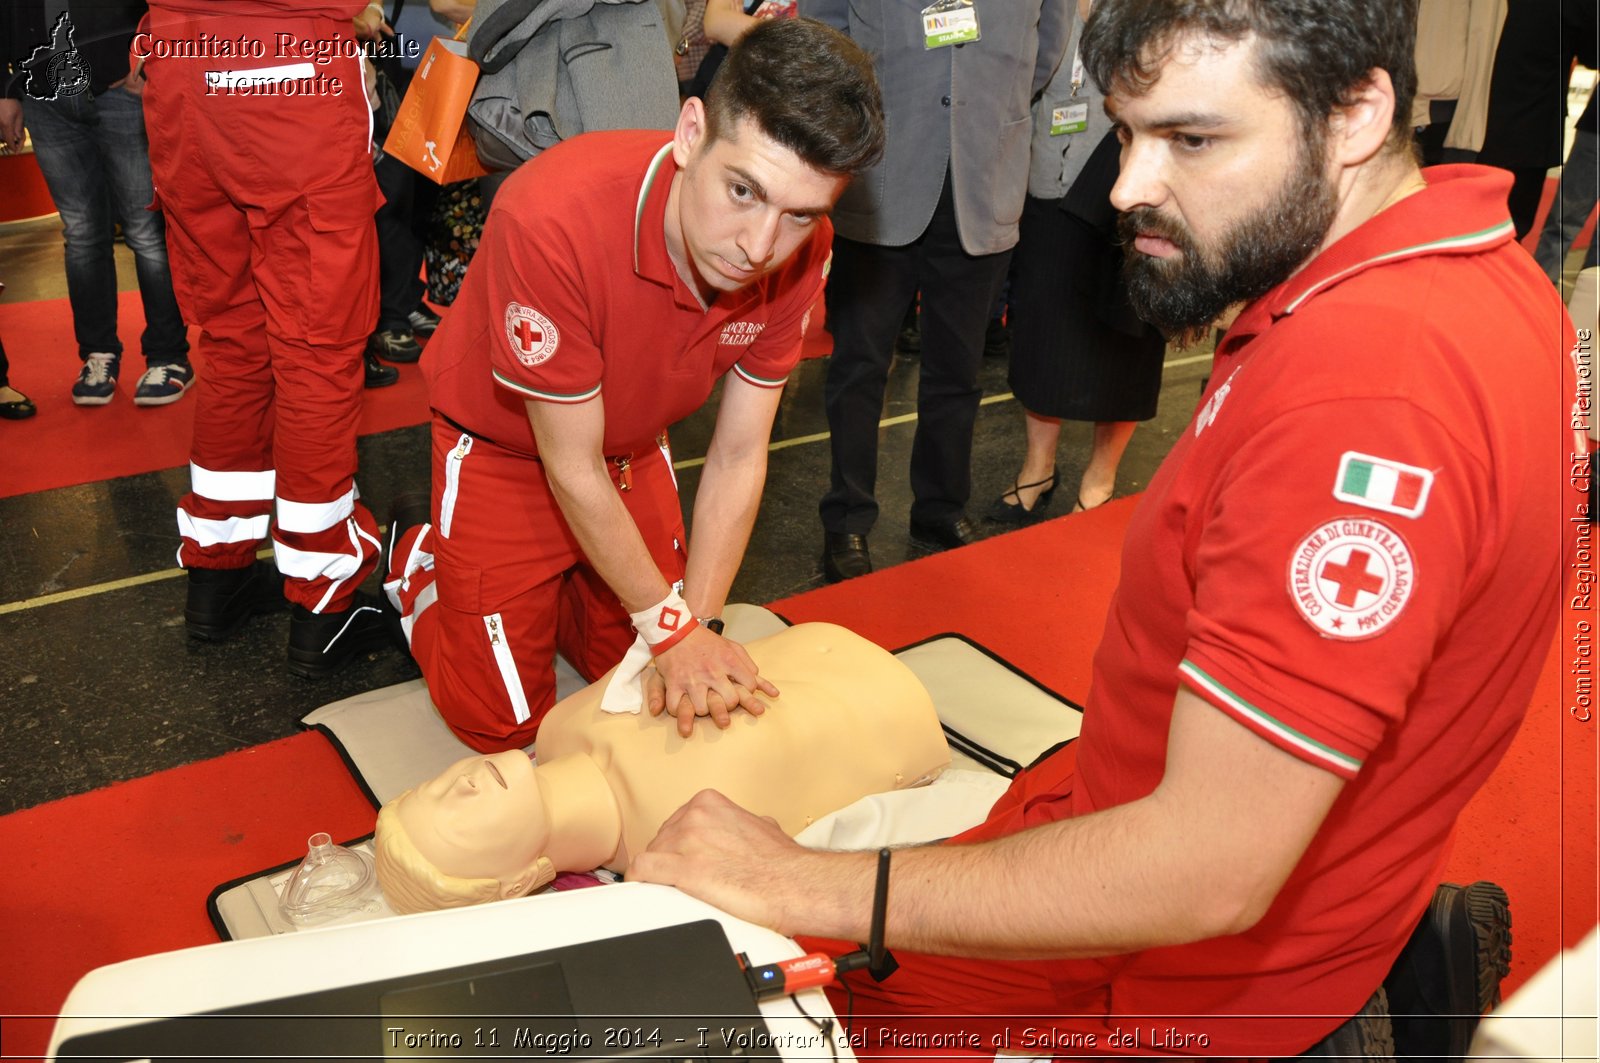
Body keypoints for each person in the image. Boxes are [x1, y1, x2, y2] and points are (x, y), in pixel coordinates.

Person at [628, 1, 1577, 1055]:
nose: (1125, 187)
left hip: (1177, 972)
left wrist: (798, 876)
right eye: (1127, 134)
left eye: (1192, 138)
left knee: (825, 1004)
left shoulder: (1364, 400)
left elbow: (1204, 867)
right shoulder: (1456, 265)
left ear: (1356, 113)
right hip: (1159, 821)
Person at [383, 18, 885, 752]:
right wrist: (668, 623)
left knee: (640, 678)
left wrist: (696, 627)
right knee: (502, 724)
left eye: (800, 215)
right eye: (743, 190)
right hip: (507, 450)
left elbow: (740, 455)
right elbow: (568, 464)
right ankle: (421, 560)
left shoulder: (802, 255)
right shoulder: (552, 215)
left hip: (628, 447)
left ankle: (539, 597)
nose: (759, 246)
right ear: (689, 134)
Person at [140, 1, 399, 676]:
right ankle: (324, 601)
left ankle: (216, 576)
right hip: (287, 66)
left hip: (179, 63)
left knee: (231, 337)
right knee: (317, 347)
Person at [373, 622, 951, 913]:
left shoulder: (555, 731)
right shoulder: (679, 838)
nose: (462, 780)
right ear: (522, 882)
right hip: (895, 710)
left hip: (822, 647)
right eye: (455, 815)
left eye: (434, 784)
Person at [808, 0, 1073, 584]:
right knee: (859, 365)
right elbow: (825, 20)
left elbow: (1049, 40)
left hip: (984, 171)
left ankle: (939, 509)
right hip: (882, 172)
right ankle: (847, 518)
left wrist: (993, 100)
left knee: (958, 370)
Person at [987, 0, 1165, 524]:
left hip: (1139, 191)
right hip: (1045, 186)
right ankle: (1037, 470)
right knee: (1043, 334)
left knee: (1128, 340)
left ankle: (1101, 476)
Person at [0, 1, 193, 408]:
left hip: (121, 84)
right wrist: (5, 92)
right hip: (43, 96)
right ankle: (97, 354)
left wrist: (154, 55)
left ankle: (169, 356)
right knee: (82, 233)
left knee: (146, 229)